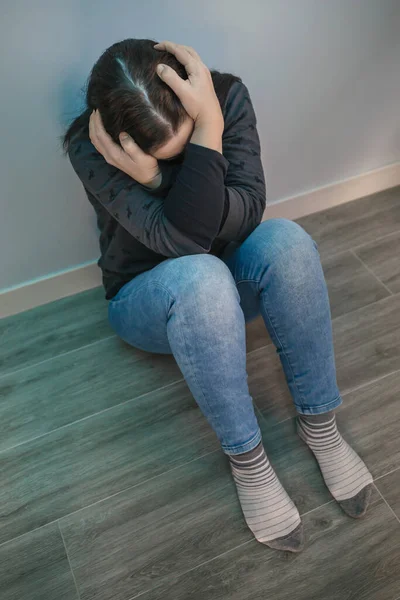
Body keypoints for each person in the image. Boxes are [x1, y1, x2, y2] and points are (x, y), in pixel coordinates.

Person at [62, 38, 373, 553]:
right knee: (199, 273)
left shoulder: (226, 98)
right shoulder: (90, 148)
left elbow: (249, 208)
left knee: (287, 241)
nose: (189, 157)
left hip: (226, 273)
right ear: (121, 144)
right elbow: (183, 243)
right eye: (170, 157)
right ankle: (248, 462)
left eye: (191, 141)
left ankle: (320, 426)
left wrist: (188, 148)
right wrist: (190, 157)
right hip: (148, 298)